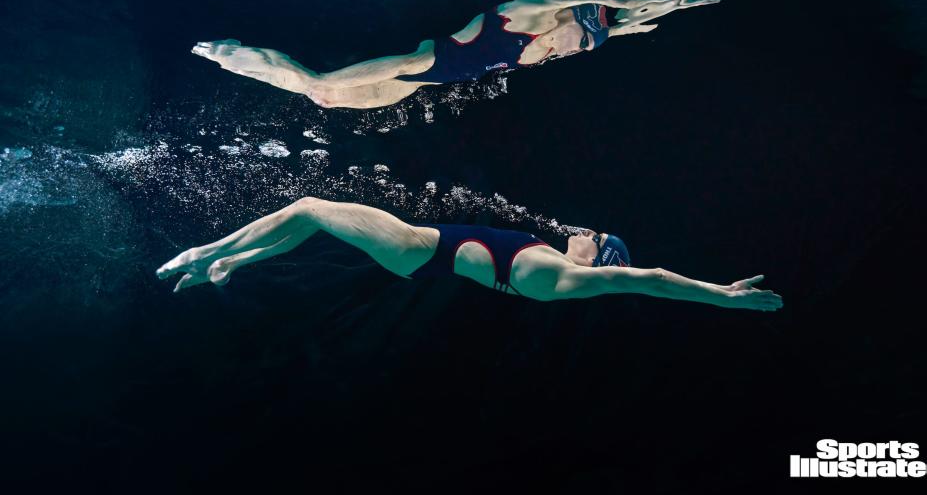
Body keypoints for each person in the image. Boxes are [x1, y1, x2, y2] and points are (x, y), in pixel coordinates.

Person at [156, 197, 782, 311]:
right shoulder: (553, 257)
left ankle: (200, 253)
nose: (583, 233)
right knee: (314, 218)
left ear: (602, 259)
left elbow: (652, 280)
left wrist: (723, 294)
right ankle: (229, 264)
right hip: (415, 246)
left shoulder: (570, 277)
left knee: (309, 207)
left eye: (595, 239)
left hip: (415, 249)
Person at [190, 0, 726, 109]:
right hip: (425, 61)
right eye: (583, 39)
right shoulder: (534, 12)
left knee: (322, 98)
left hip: (423, 86)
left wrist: (672, 12)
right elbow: (599, 2)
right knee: (324, 83)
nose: (581, 51)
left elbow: (627, 25)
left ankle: (240, 58)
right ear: (573, 19)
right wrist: (643, 0)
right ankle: (228, 52)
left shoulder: (562, 44)